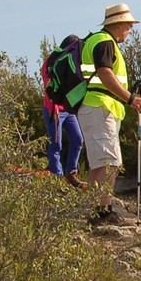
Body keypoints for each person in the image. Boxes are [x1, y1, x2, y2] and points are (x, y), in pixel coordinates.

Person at [76, 3, 141, 225]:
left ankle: (95, 210)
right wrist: (131, 98)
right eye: (129, 25)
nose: (130, 30)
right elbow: (105, 73)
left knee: (98, 163)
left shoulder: (96, 40)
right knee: (110, 161)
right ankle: (103, 210)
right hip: (100, 106)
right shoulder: (105, 42)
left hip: (93, 107)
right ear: (117, 25)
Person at [42, 34, 86, 189]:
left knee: (78, 139)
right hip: (53, 109)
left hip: (68, 109)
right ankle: (57, 177)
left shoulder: (72, 60)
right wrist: (54, 108)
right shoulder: (51, 62)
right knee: (56, 144)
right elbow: (49, 86)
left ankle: (71, 173)